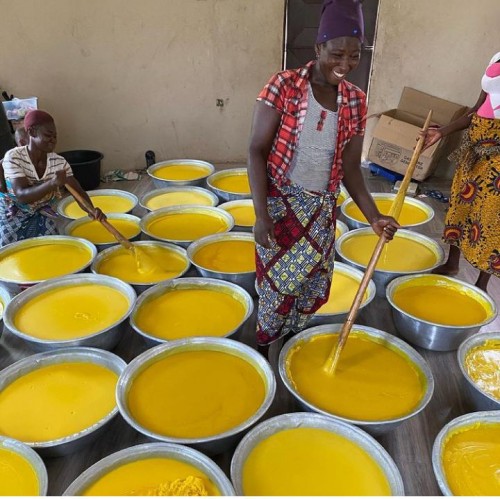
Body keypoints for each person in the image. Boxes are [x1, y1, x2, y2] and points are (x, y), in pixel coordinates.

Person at [248, 0, 400, 356]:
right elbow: (256, 150)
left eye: (354, 55)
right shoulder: (283, 86)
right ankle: (264, 348)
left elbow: (350, 168)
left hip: (320, 214)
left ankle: (289, 347)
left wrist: (374, 217)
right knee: (275, 288)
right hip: (280, 208)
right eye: (336, 54)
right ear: (318, 48)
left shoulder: (355, 101)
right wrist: (260, 214)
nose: (345, 64)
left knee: (309, 287)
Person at [422, 52, 500, 293]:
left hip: (496, 162)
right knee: (460, 207)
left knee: (491, 220)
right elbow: (476, 109)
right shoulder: (496, 58)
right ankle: (452, 264)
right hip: (473, 155)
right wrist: (443, 131)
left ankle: (482, 284)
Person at [0, 110, 105, 246]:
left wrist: (92, 210)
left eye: (55, 136)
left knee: (52, 249)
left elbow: (78, 192)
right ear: (32, 132)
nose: (53, 140)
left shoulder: (59, 163)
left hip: (40, 215)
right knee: (10, 254)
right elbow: (22, 195)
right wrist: (52, 183)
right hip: (12, 217)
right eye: (48, 135)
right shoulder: (14, 157)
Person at [0, 128, 29, 193]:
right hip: (15, 190)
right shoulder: (13, 155)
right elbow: (1, 163)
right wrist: (2, 184)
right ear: (22, 143)